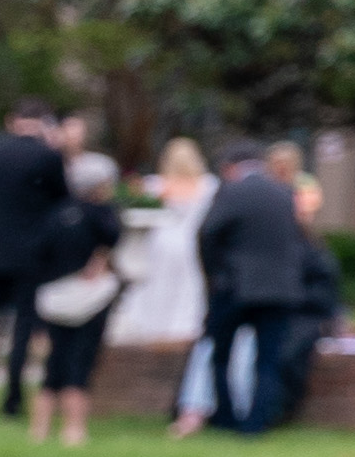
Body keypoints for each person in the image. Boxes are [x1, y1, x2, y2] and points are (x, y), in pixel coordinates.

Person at [198, 143, 337, 437]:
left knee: (220, 354)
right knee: (268, 359)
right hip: (281, 290)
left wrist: (216, 274)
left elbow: (208, 234)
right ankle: (257, 422)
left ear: (231, 167)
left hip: (236, 287)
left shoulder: (231, 192)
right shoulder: (285, 194)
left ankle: (225, 416)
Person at [0, 102, 75, 418]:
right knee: (22, 330)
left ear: (12, 121)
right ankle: (13, 399)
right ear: (44, 123)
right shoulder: (48, 157)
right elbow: (62, 206)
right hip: (30, 255)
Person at [26, 150, 133, 448]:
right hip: (91, 299)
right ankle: (74, 429)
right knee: (81, 362)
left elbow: (37, 255)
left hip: (53, 299)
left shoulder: (55, 214)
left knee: (53, 364)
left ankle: (39, 429)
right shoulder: (102, 215)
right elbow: (114, 240)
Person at [113, 139, 215, 437]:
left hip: (161, 245)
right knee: (189, 289)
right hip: (191, 246)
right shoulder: (208, 185)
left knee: (161, 289)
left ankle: (158, 327)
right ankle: (184, 326)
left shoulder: (156, 185)